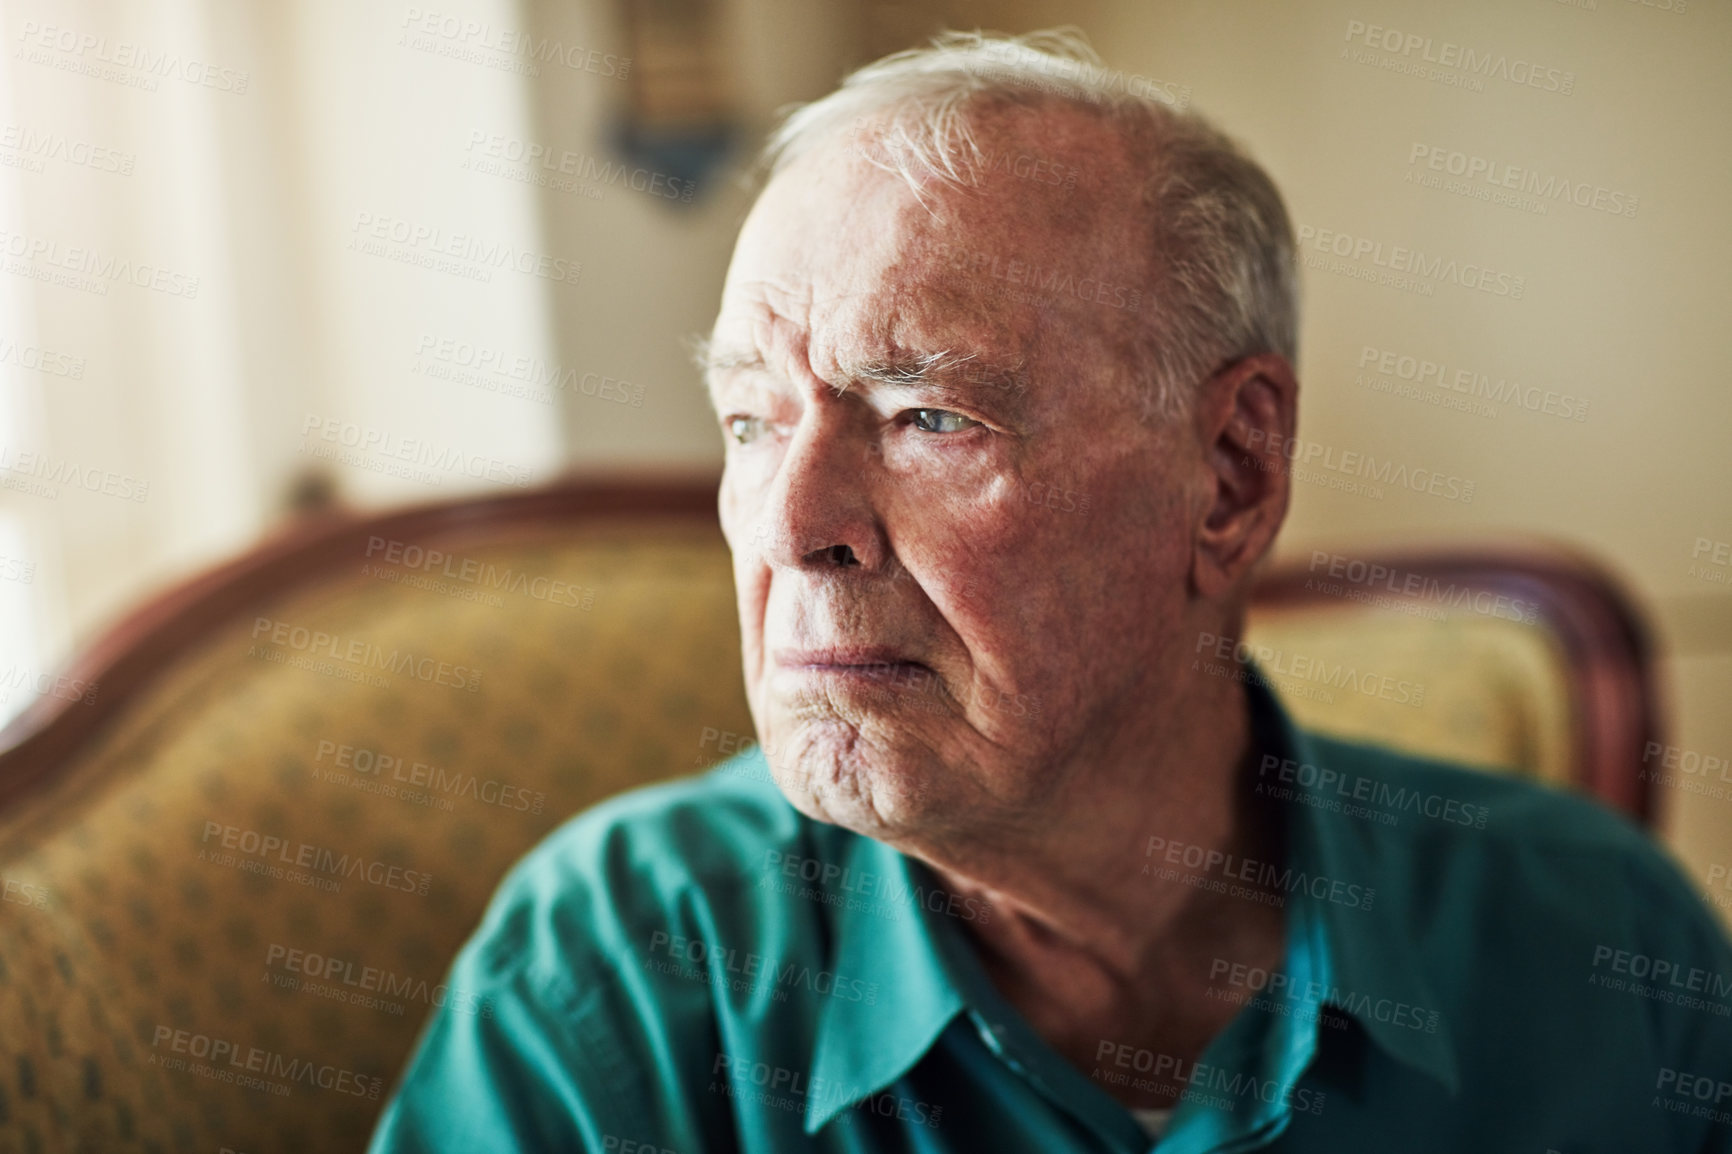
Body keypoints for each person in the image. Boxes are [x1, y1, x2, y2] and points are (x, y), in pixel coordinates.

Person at [368, 30, 1732, 1152]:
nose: (792, 524)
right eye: (750, 418)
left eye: (927, 416)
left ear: (1232, 475)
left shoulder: (1603, 947)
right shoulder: (608, 976)